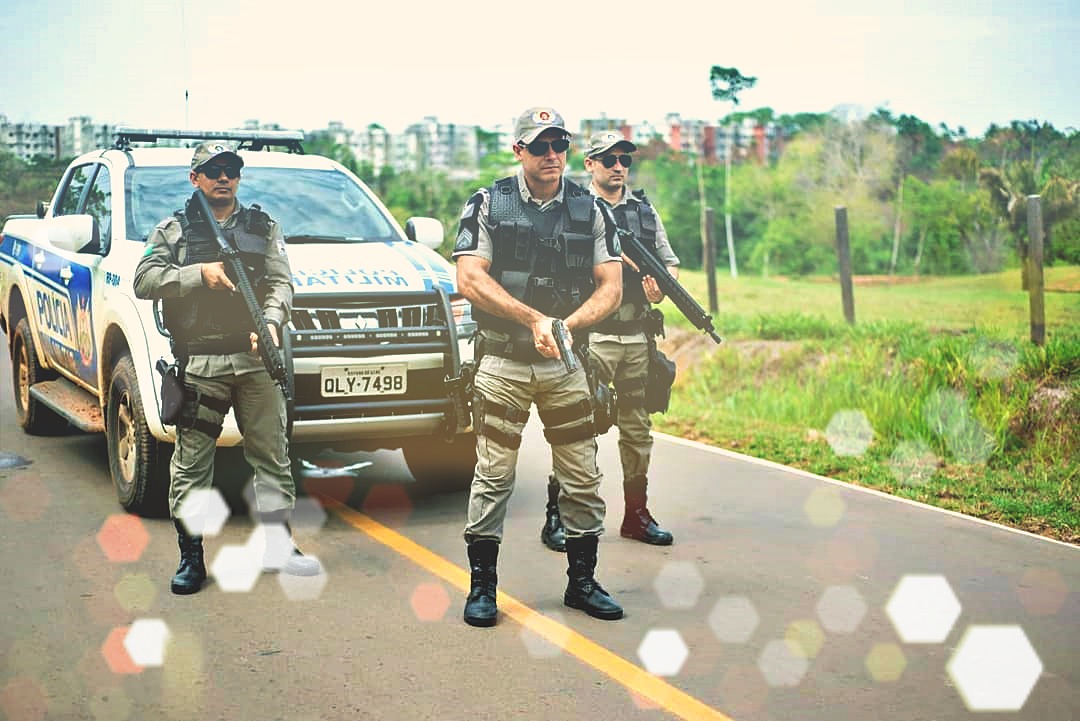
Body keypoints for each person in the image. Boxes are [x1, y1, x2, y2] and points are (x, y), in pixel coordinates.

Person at [453, 108, 625, 627]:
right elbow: (469, 279)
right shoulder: (488, 202)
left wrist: (566, 327)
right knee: (493, 476)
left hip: (566, 364)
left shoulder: (591, 210)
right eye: (540, 145)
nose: (552, 155)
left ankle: (582, 582)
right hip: (503, 361)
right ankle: (482, 588)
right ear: (518, 150)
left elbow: (611, 286)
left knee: (582, 476)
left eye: (560, 145)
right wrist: (533, 320)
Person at [134, 141, 320, 595]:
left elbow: (281, 282)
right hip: (201, 361)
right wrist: (199, 273)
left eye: (231, 169)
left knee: (273, 457)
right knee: (193, 463)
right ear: (194, 178)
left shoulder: (263, 226)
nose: (224, 177)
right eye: (213, 170)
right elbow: (144, 280)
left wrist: (273, 322)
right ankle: (192, 555)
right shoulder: (175, 230)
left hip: (257, 359)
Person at [539, 131, 678, 552]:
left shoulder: (645, 214)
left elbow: (668, 265)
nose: (618, 166)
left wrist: (660, 290)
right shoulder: (572, 209)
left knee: (638, 429)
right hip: (591, 337)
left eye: (624, 160)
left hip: (637, 336)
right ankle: (558, 515)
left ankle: (636, 513)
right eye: (609, 159)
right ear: (590, 164)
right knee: (579, 427)